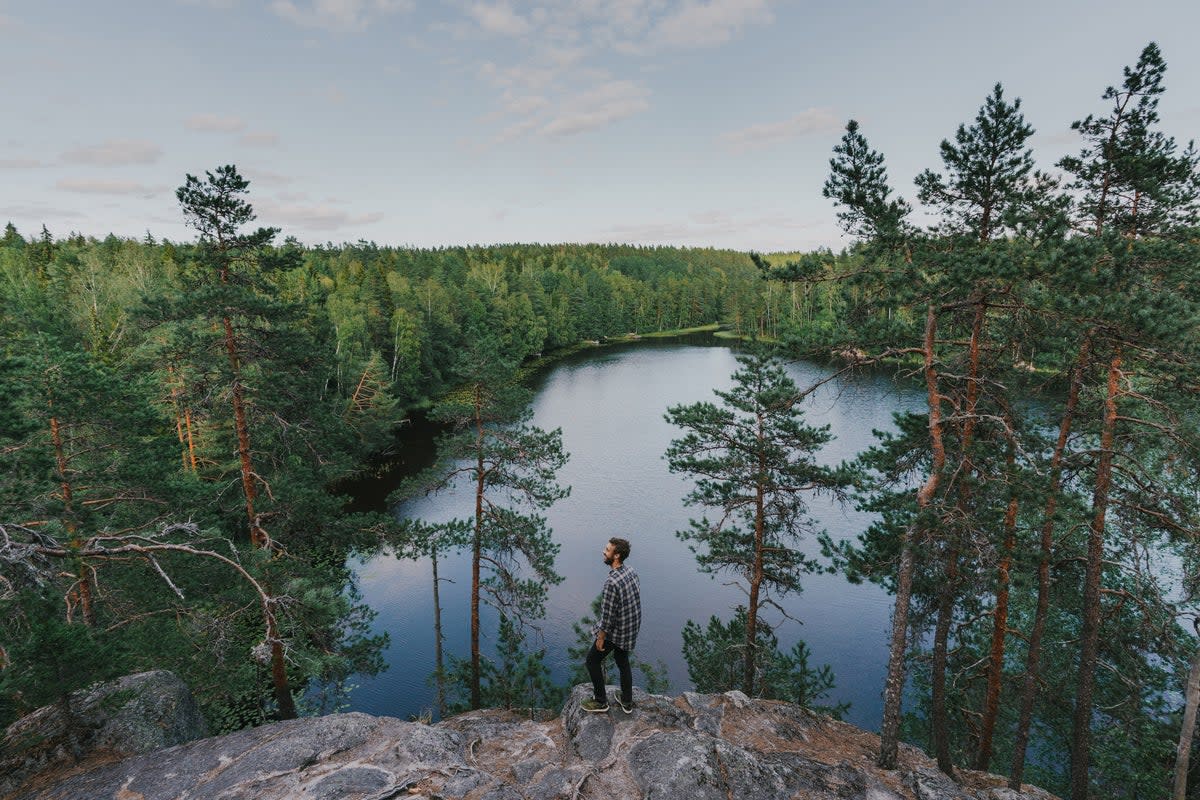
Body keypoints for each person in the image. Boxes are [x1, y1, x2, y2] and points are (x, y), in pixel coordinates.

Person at [582, 537, 641, 713]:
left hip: (617, 631)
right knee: (622, 660)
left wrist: (601, 637)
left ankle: (601, 701)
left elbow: (607, 617)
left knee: (592, 661)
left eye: (607, 550)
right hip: (631, 626)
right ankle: (627, 701)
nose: (603, 551)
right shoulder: (631, 571)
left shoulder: (611, 582)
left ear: (616, 555)